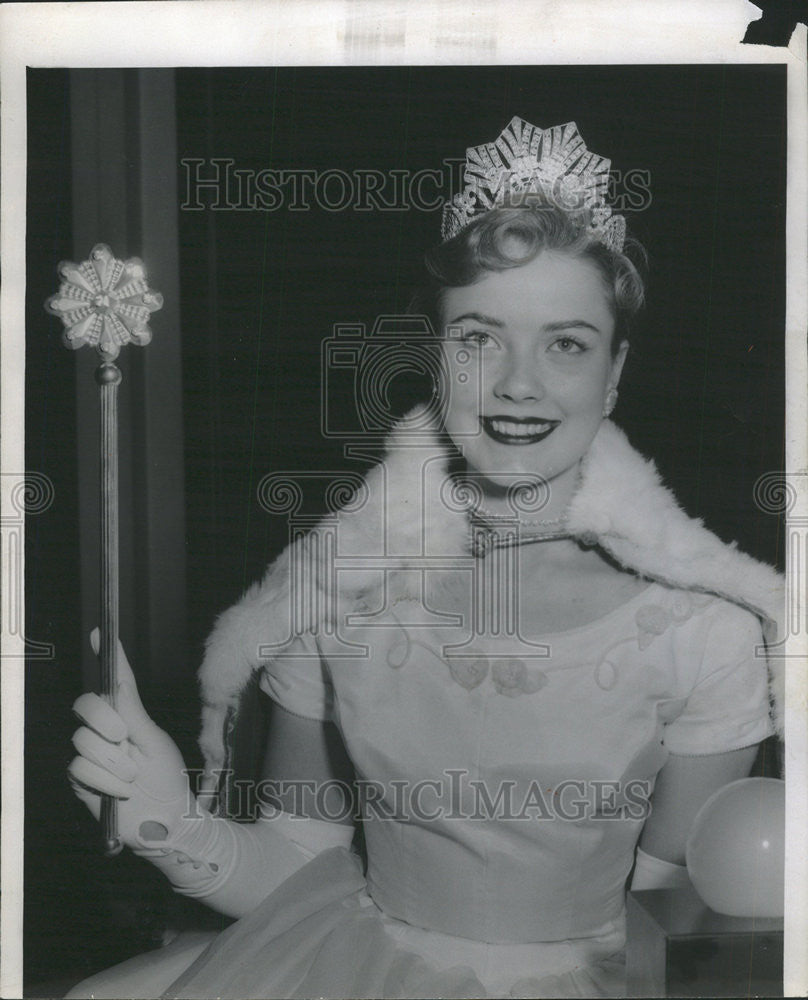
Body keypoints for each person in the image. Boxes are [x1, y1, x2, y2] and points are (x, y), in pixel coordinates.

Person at [66, 117, 784, 999]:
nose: (520, 383)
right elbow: (296, 868)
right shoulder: (339, 594)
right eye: (479, 338)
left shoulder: (705, 635)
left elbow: (679, 931)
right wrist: (170, 822)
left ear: (615, 372)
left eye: (566, 343)